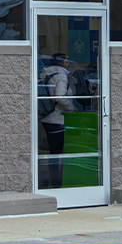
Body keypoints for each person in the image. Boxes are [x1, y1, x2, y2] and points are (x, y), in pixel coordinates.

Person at [39, 53, 73, 188]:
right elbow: (60, 97)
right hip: (58, 118)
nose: (68, 63)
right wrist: (72, 107)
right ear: (60, 63)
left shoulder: (47, 74)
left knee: (53, 152)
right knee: (59, 153)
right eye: (66, 60)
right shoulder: (62, 76)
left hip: (47, 117)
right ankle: (57, 182)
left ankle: (50, 180)